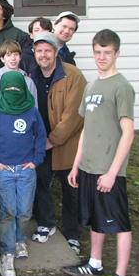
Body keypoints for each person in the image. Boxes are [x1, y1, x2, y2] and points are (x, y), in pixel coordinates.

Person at [63, 29, 135, 276]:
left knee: (119, 224)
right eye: (98, 52)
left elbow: (128, 133)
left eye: (107, 52)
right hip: (89, 167)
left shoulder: (121, 86)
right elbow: (86, 129)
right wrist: (75, 164)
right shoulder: (91, 87)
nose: (102, 57)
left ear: (117, 53)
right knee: (95, 218)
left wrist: (113, 173)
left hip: (109, 170)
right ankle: (94, 264)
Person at [0, 71, 46, 276]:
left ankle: (19, 239)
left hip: (27, 170)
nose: (12, 92)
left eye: (16, 88)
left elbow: (40, 138)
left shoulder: (32, 112)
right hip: (5, 171)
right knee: (8, 211)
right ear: (2, 89)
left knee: (25, 210)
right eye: (8, 88)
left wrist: (35, 162)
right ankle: (7, 252)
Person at [30, 32, 87, 255]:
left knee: (70, 189)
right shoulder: (32, 76)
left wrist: (52, 140)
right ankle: (47, 223)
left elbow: (75, 114)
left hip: (67, 143)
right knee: (40, 183)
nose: (43, 55)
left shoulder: (72, 76)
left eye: (47, 50)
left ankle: (73, 234)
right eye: (39, 50)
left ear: (56, 52)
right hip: (40, 142)